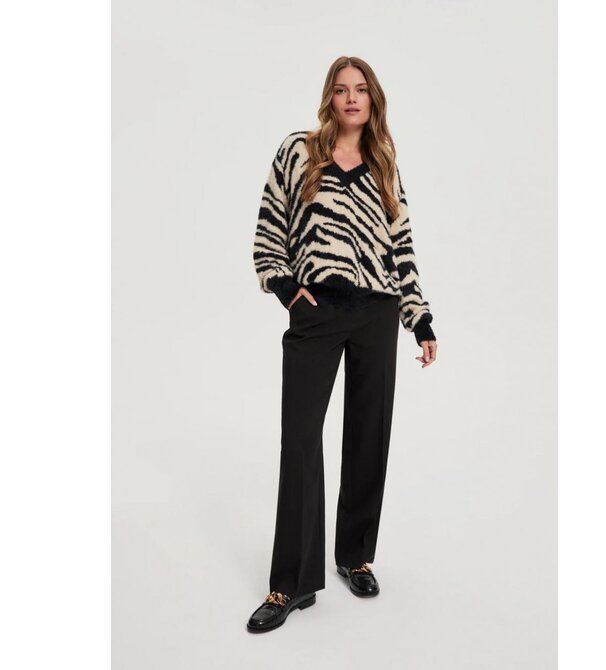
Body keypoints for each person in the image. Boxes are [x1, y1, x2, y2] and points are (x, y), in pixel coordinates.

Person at [247, 56, 438, 633]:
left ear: (373, 99)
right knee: (301, 439)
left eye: (360, 89)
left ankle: (356, 556)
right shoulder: (298, 151)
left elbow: (402, 245)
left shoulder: (383, 163)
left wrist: (419, 319)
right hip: (319, 310)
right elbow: (268, 229)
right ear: (329, 99)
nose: (351, 98)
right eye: (340, 89)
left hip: (377, 310)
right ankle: (291, 584)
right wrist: (286, 288)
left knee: (368, 434)